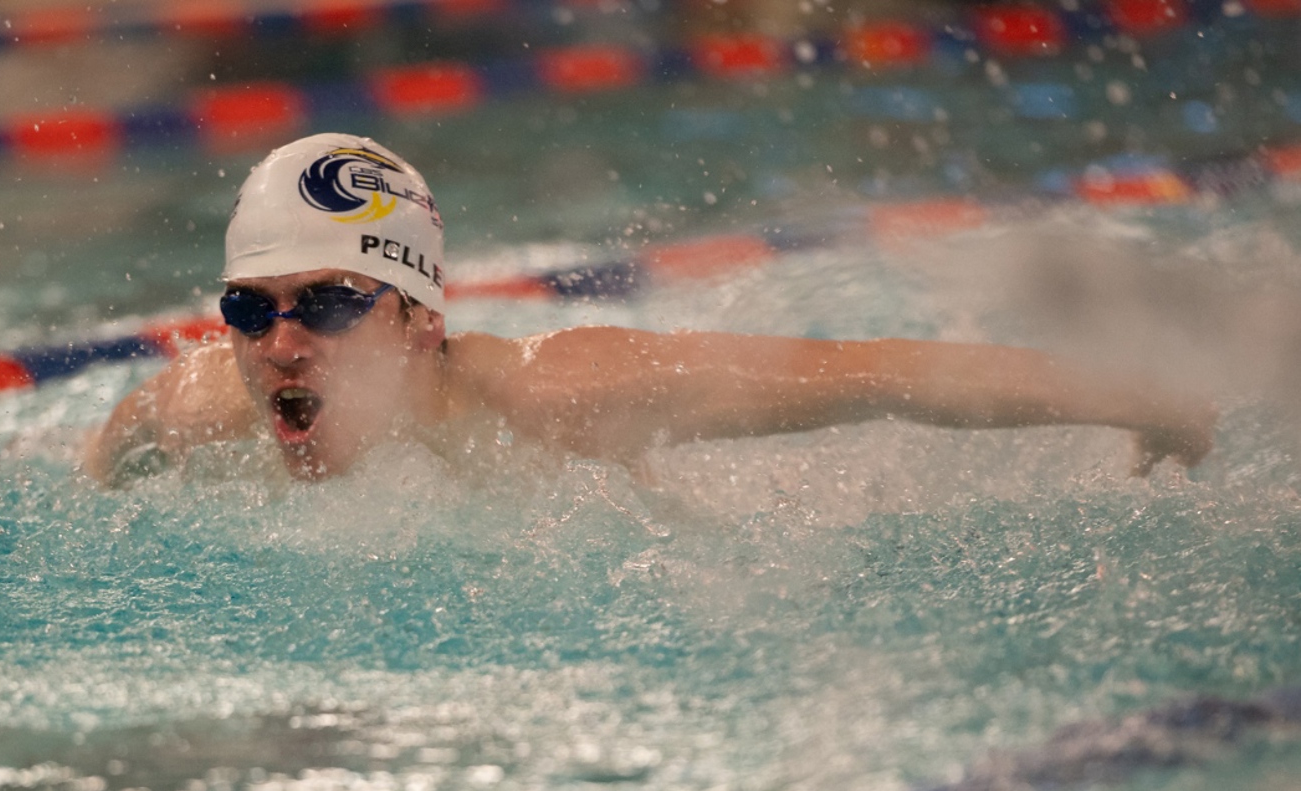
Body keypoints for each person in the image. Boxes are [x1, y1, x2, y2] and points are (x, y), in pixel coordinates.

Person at [83, 134, 1214, 487]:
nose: (281, 341)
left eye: (331, 303)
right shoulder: (206, 406)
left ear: (419, 319)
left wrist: (1132, 396)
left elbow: (880, 370)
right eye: (250, 307)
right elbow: (118, 440)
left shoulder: (566, 394)